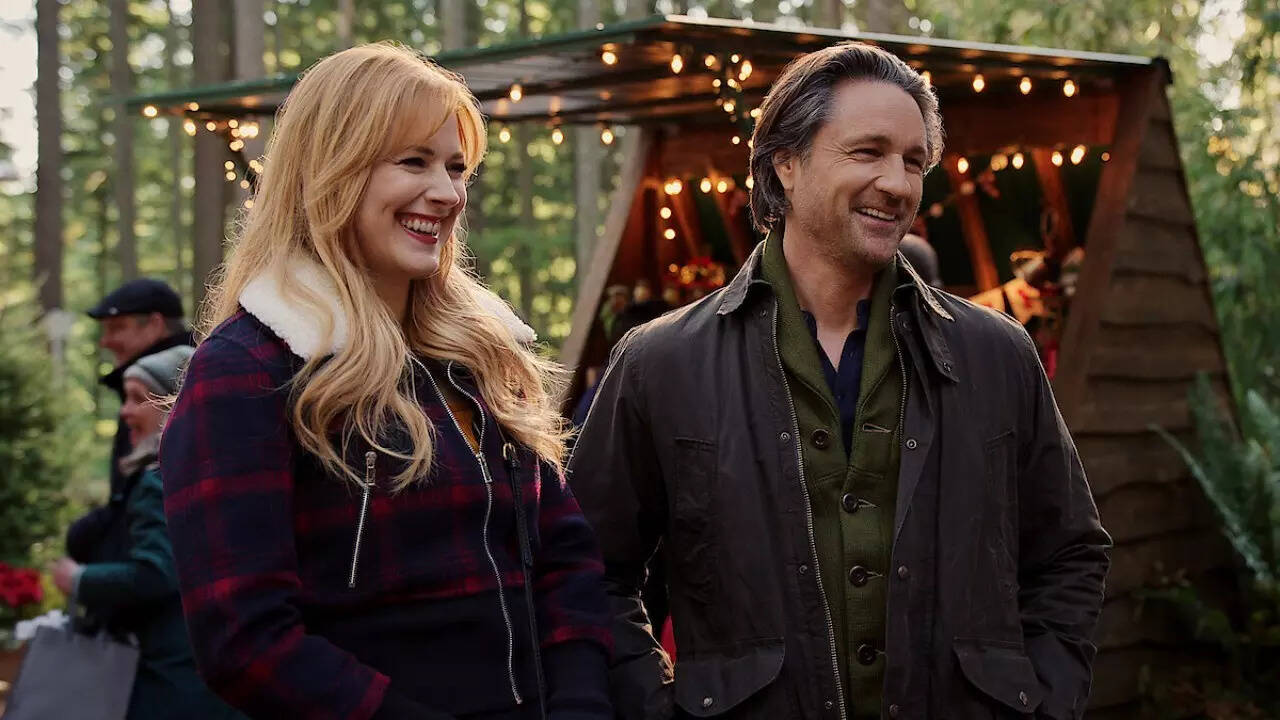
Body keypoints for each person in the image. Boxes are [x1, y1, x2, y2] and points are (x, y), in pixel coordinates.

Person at [569, 41, 1110, 720]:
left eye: (913, 161)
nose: (899, 183)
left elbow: (1069, 553)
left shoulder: (996, 355)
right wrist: (652, 706)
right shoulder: (662, 362)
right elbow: (588, 570)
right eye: (868, 152)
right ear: (786, 163)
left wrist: (1044, 702)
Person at [159, 44, 611, 720]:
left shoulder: (481, 356)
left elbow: (565, 561)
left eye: (456, 167)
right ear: (331, 170)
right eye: (413, 161)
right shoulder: (248, 370)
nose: (448, 193)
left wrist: (582, 708)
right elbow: (247, 643)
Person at [51, 346, 243, 720]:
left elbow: (156, 572)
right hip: (215, 669)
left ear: (174, 405)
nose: (125, 411)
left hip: (168, 676)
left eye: (138, 398)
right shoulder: (218, 472)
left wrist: (79, 579)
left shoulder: (159, 480)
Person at [64, 278, 193, 605]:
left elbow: (160, 566)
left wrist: (85, 580)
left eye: (117, 328)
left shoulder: (174, 385)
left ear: (155, 324)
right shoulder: (151, 380)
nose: (105, 341)